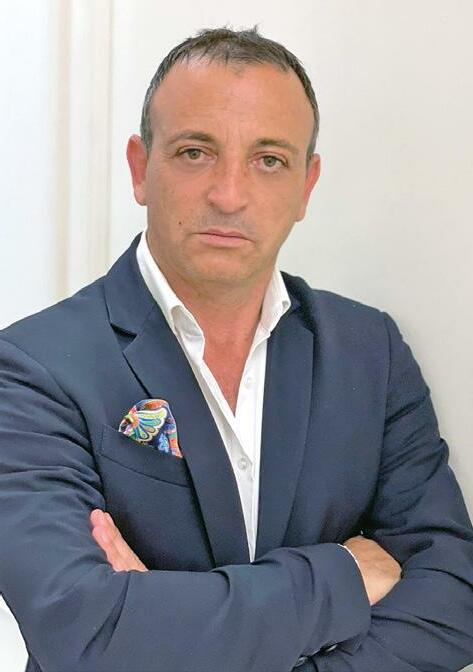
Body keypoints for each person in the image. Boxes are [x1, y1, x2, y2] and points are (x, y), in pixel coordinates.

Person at [0, 26, 472, 672]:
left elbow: (452, 596)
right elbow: (85, 633)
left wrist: (161, 620)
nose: (228, 194)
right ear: (140, 168)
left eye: (268, 160)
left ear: (306, 186)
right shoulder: (30, 366)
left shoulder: (371, 352)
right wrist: (339, 575)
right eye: (195, 152)